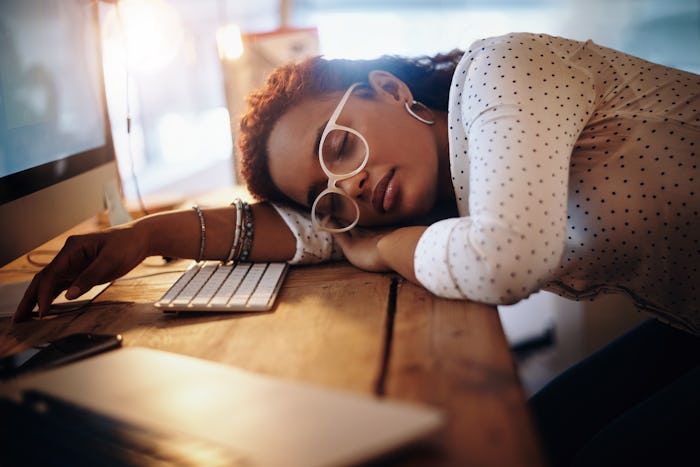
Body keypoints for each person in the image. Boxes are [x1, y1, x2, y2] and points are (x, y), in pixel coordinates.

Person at [12, 32, 699, 466]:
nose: (353, 184)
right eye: (327, 190)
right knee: (547, 431)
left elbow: (506, 258)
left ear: (388, 89)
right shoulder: (448, 181)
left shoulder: (502, 73)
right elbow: (318, 231)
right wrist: (147, 237)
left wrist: (381, 250)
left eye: (339, 145)